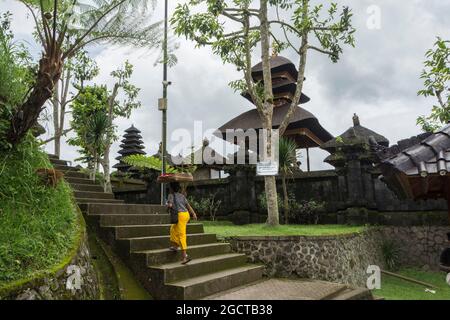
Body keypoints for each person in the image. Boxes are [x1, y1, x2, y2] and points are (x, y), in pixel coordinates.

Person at [166, 182, 198, 264]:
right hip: (185, 215)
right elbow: (188, 206)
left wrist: (167, 206)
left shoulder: (170, 195)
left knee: (181, 235)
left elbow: (170, 205)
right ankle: (175, 246)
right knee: (173, 229)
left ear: (171, 188)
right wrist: (193, 214)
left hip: (180, 216)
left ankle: (185, 256)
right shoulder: (182, 196)